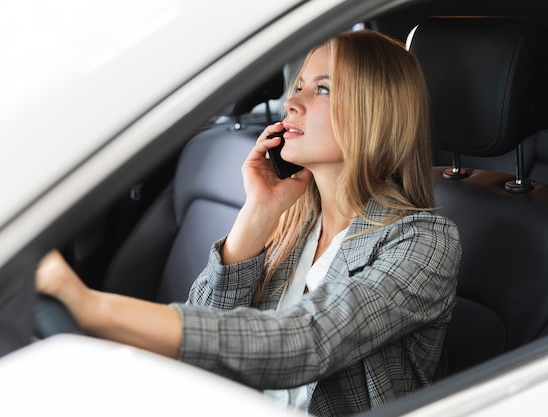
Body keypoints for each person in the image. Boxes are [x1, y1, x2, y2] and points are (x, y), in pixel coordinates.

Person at [37, 29, 461, 417]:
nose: (291, 102)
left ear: (376, 114)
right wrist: (257, 214)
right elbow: (204, 332)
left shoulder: (424, 242)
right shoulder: (293, 220)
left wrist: (94, 309)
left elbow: (306, 342)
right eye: (298, 86)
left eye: (323, 89)